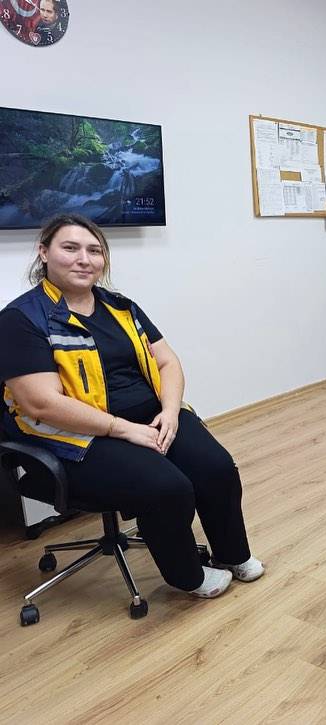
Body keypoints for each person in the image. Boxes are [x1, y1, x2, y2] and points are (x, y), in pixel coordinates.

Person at [0, 214, 263, 599]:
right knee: (167, 487)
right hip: (79, 433)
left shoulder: (121, 307)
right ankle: (187, 577)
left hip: (150, 415)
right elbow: (41, 402)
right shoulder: (21, 319)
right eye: (70, 248)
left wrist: (170, 412)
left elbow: (167, 362)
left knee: (217, 468)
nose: (84, 259)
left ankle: (232, 554)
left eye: (94, 251)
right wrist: (123, 429)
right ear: (44, 252)